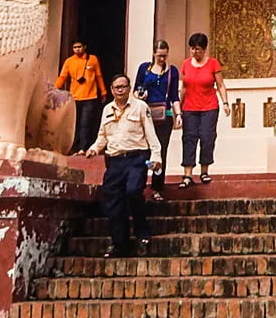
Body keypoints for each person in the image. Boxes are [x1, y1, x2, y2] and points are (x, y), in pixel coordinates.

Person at [84, 73, 161, 257]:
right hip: (115, 161)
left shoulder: (140, 107)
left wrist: (156, 156)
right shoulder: (107, 110)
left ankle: (142, 232)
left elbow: (151, 134)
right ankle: (120, 243)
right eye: (116, 87)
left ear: (129, 88)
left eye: (123, 87)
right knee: (112, 199)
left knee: (133, 191)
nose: (120, 90)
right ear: (111, 90)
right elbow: (102, 135)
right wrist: (94, 149)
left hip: (136, 158)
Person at [178, 32, 230, 187]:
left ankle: (204, 170)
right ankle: (187, 174)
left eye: (198, 49)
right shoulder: (186, 64)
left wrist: (225, 102)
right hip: (190, 107)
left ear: (205, 49)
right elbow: (184, 88)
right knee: (189, 137)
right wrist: (178, 109)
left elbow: (220, 85)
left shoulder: (213, 63)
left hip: (209, 106)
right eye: (192, 49)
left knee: (207, 137)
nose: (195, 52)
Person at [134, 39, 182, 201]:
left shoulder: (172, 71)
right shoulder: (144, 69)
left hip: (164, 114)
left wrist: (178, 114)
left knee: (161, 152)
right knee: (143, 151)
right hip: (146, 113)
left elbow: (174, 95)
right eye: (159, 55)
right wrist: (141, 94)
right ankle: (139, 183)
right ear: (154, 53)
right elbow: (136, 90)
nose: (162, 59)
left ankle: (157, 186)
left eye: (164, 56)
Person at [56, 41, 107, 154]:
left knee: (85, 123)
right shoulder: (69, 61)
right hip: (74, 97)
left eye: (79, 47)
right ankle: (72, 147)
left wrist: (103, 91)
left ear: (84, 47)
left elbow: (98, 76)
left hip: (90, 96)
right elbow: (62, 77)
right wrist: (54, 89)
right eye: (75, 47)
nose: (77, 49)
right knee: (74, 123)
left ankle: (82, 148)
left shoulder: (92, 59)